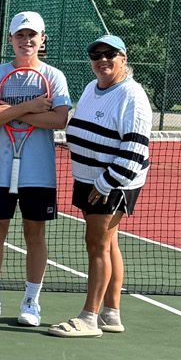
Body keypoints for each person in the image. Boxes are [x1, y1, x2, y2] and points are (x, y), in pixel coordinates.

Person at [0, 10, 73, 327]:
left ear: (42, 40)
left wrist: (10, 112)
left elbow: (59, 120)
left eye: (32, 35)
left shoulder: (54, 76)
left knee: (35, 234)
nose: (26, 41)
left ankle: (31, 302)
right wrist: (30, 107)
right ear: (10, 40)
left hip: (38, 172)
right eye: (20, 35)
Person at [49, 34, 153, 338]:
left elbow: (135, 151)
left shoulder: (132, 96)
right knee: (108, 244)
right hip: (89, 178)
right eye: (96, 55)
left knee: (97, 245)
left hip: (110, 183)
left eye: (110, 55)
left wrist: (106, 183)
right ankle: (111, 313)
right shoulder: (93, 89)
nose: (102, 60)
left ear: (124, 58)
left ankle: (89, 318)